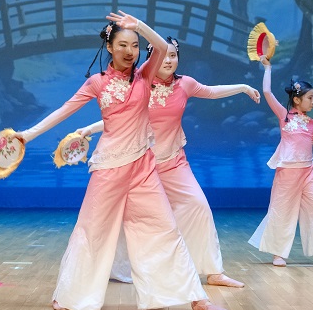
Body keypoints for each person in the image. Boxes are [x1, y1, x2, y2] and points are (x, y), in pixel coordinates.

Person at [14, 10, 228, 310]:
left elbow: (162, 47)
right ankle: (70, 296)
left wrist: (138, 25)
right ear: (110, 47)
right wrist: (27, 135)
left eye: (135, 46)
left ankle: (196, 298)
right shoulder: (97, 83)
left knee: (165, 228)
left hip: (143, 168)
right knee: (92, 230)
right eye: (123, 45)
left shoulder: (146, 75)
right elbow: (64, 110)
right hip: (109, 168)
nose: (130, 51)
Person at [78, 36, 259, 288]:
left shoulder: (185, 84)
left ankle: (213, 271)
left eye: (173, 55)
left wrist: (243, 87)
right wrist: (89, 128)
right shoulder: (139, 84)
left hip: (174, 162)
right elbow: (118, 118)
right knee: (127, 218)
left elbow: (211, 91)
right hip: (142, 163)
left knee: (198, 206)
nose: (168, 60)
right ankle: (114, 267)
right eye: (163, 56)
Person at [248, 55, 313, 267]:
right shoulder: (284, 116)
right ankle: (278, 252)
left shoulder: (312, 124)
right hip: (287, 172)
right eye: (310, 98)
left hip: (308, 172)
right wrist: (267, 68)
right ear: (297, 100)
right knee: (282, 211)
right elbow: (267, 92)